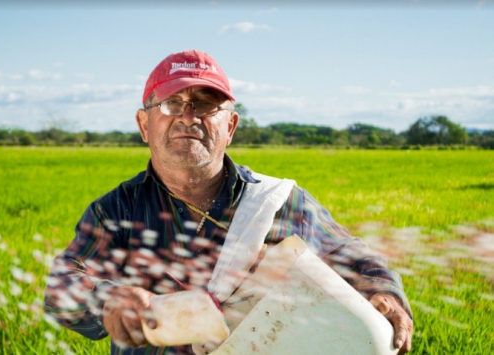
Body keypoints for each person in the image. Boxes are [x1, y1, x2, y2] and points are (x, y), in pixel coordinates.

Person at [44, 49, 413, 355]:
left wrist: (382, 291)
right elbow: (62, 286)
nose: (189, 117)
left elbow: (349, 254)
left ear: (231, 126)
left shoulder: (277, 202)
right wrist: (108, 300)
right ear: (144, 125)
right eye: (172, 104)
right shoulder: (116, 211)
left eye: (205, 105)